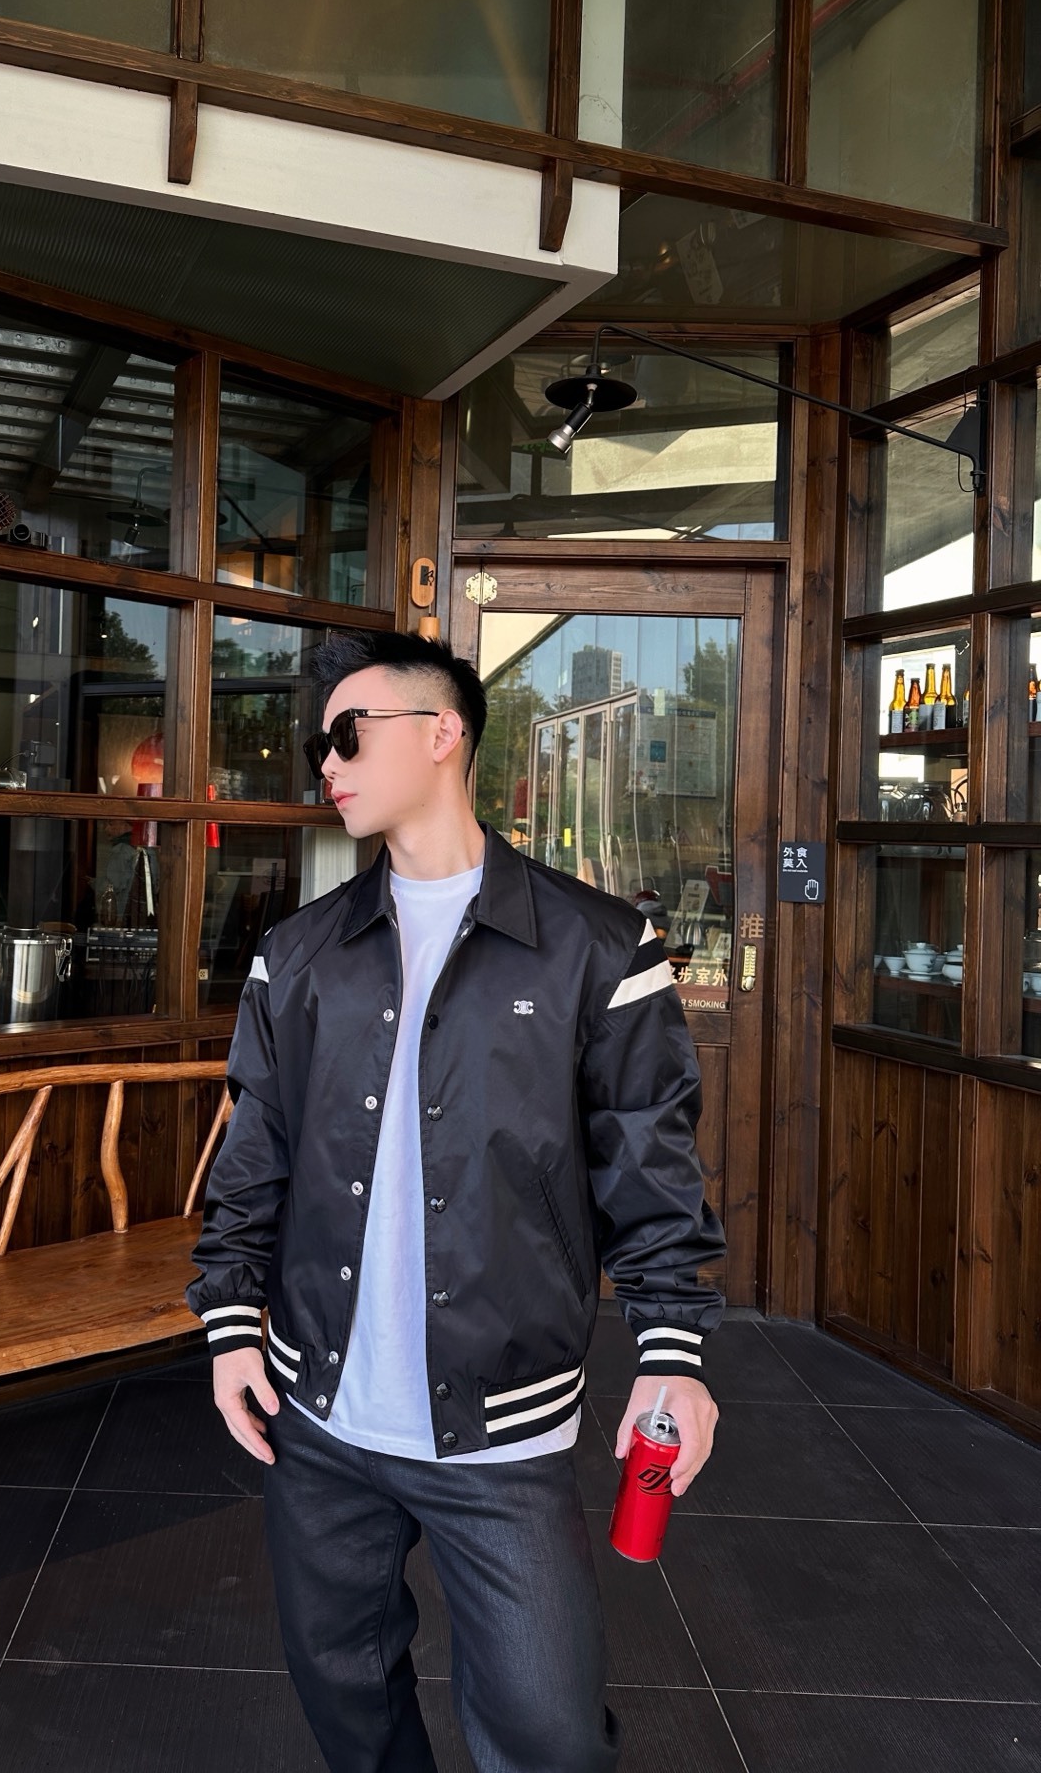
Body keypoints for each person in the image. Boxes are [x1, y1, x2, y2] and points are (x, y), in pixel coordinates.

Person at [187, 629, 725, 1773]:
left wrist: (672, 1353)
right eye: (319, 745)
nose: (326, 764)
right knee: (343, 1691)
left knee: (548, 1732)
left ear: (442, 734)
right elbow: (254, 1153)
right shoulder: (299, 954)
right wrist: (230, 1325)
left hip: (503, 1425)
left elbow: (651, 1164)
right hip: (318, 1411)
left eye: (348, 735)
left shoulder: (598, 949)